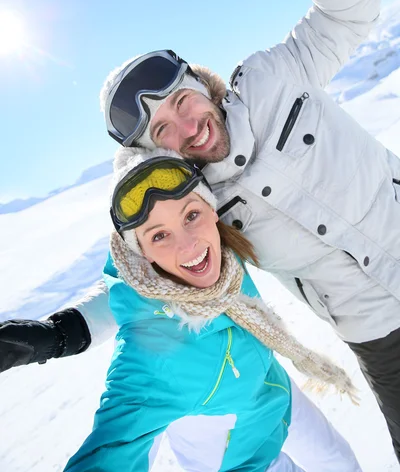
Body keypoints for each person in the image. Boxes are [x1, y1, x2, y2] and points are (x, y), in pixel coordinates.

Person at [2, 0, 400, 461]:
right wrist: (60, 333)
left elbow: (352, 17)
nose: (189, 128)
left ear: (202, 84)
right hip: (377, 332)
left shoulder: (270, 80)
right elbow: (143, 283)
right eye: (164, 130)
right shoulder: (195, 203)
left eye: (184, 102)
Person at [64, 149, 362, 472]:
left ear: (211, 210)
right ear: (144, 255)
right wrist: (65, 330)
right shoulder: (153, 354)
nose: (188, 244)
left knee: (340, 460)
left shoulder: (226, 259)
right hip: (242, 457)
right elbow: (109, 452)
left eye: (191, 215)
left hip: (274, 391)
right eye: (160, 235)